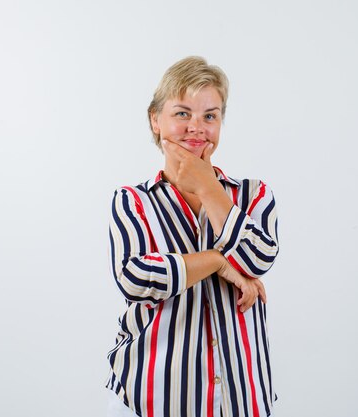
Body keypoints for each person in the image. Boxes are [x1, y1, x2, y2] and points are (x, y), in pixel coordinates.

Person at [105, 56, 279, 417]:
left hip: (242, 396)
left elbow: (259, 256)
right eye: (182, 113)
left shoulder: (254, 194)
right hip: (152, 398)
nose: (196, 128)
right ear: (156, 120)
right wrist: (219, 262)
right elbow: (136, 278)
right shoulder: (132, 201)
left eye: (210, 116)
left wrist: (208, 187)